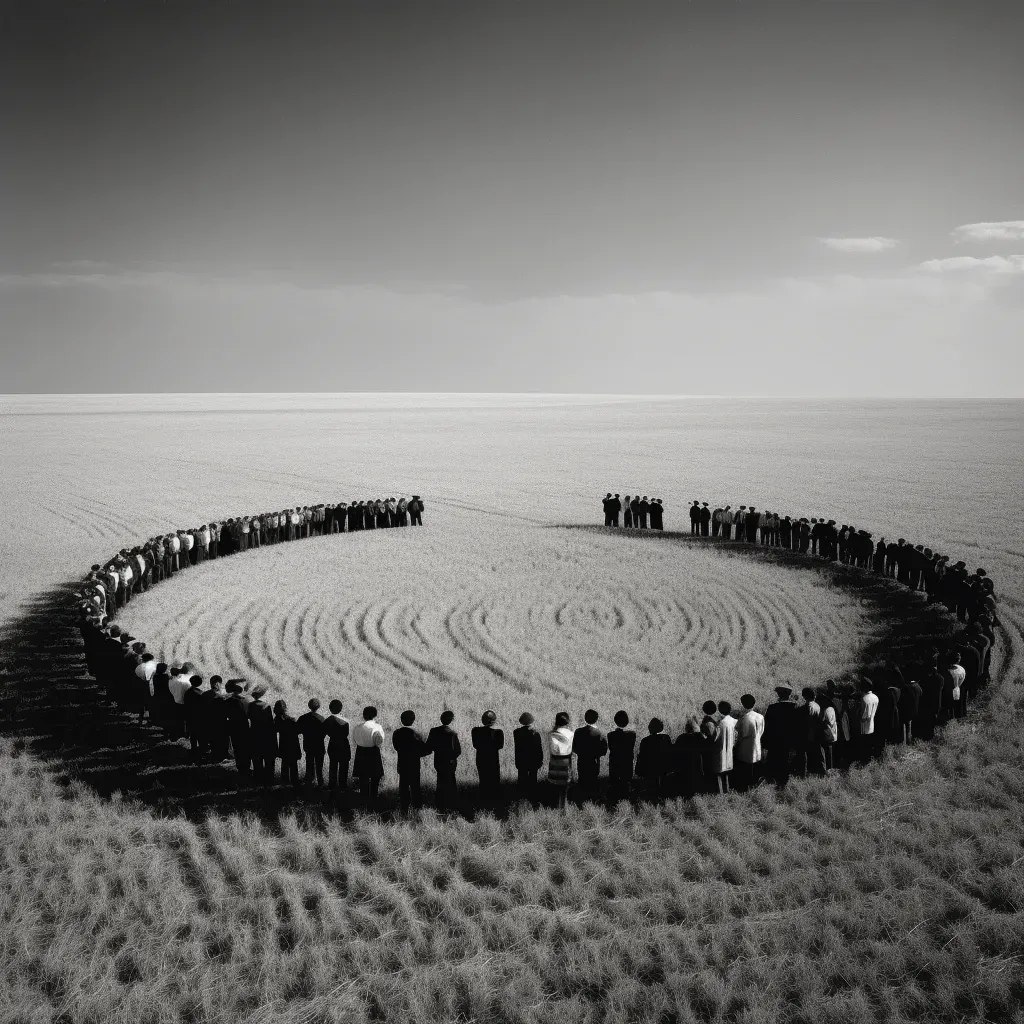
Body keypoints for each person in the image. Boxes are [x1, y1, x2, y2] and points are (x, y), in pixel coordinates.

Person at [392, 710, 428, 813]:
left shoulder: (397, 733)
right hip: (415, 763)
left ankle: (404, 808)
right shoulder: (418, 733)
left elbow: (396, 747)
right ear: (413, 720)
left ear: (401, 720)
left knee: (403, 786)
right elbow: (424, 749)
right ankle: (417, 808)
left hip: (402, 762)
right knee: (415, 786)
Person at [426, 710, 461, 811]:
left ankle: (440, 805)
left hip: (438, 761)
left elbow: (429, 747)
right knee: (451, 783)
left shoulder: (434, 731)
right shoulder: (452, 734)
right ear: (451, 721)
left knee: (440, 782)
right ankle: (451, 805)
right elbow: (458, 751)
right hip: (450, 763)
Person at [763, 685, 798, 784]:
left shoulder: (772, 707)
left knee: (774, 760)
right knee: (786, 761)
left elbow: (767, 727)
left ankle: (772, 779)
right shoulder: (795, 707)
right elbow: (797, 726)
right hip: (789, 741)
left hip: (775, 741)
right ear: (789, 695)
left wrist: (765, 742)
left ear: (779, 694)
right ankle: (784, 781)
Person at [352, 706, 386, 809]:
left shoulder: (357, 727)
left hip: (360, 751)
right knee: (375, 777)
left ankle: (363, 798)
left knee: (363, 776)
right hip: (373, 752)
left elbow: (354, 740)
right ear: (375, 715)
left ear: (363, 715)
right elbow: (379, 741)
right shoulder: (377, 727)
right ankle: (374, 797)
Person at [572, 709, 608, 798]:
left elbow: (574, 747)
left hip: (581, 761)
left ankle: (581, 798)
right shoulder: (599, 733)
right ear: (597, 719)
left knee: (582, 780)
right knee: (593, 781)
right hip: (594, 762)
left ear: (585, 718)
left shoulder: (578, 731)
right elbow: (603, 751)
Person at [471, 710, 504, 801]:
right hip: (493, 758)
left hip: (481, 757)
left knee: (483, 778)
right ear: (494, 721)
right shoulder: (498, 732)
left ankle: (483, 798)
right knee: (494, 778)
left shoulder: (475, 731)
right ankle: (494, 799)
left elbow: (475, 745)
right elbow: (500, 746)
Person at [733, 694, 764, 792]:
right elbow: (762, 730)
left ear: (743, 704)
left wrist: (737, 744)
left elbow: (743, 734)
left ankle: (746, 787)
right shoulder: (760, 716)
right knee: (755, 765)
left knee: (746, 767)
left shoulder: (745, 718)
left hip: (746, 746)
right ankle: (755, 784)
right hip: (757, 744)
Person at [635, 718, 673, 797]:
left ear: (650, 728)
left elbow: (641, 756)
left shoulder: (645, 740)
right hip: (664, 766)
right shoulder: (666, 738)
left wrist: (639, 770)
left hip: (650, 768)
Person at [248, 686, 277, 785]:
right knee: (268, 759)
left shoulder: (251, 705)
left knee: (257, 759)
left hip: (254, 734)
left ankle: (257, 779)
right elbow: (270, 722)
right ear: (263, 695)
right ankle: (268, 780)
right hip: (265, 735)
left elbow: (249, 717)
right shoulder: (266, 706)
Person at [297, 698, 328, 787]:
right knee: (319, 767)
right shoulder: (322, 719)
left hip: (308, 745)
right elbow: (324, 733)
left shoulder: (303, 718)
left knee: (309, 765)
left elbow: (298, 730)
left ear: (309, 706)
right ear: (318, 707)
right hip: (319, 746)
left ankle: (309, 783)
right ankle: (320, 784)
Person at [513, 712, 544, 800]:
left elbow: (517, 747)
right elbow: (539, 748)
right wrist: (540, 760)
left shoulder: (516, 732)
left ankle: (522, 798)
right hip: (533, 760)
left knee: (522, 779)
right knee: (533, 779)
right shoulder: (535, 733)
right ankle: (532, 797)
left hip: (521, 760)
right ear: (532, 721)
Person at [708, 700, 737, 793]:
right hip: (730, 750)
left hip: (720, 751)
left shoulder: (720, 724)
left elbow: (715, 739)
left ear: (720, 710)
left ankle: (720, 792)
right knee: (727, 772)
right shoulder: (734, 721)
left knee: (719, 773)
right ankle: (727, 789)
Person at [547, 712, 575, 808]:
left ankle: (554, 805)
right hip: (566, 760)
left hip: (554, 760)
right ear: (567, 721)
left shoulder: (551, 733)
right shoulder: (571, 734)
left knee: (555, 783)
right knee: (565, 784)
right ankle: (563, 805)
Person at [673, 717, 706, 798]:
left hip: (684, 764)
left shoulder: (681, 737)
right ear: (696, 727)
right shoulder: (699, 736)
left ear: (686, 728)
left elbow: (675, 750)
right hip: (697, 763)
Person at [607, 710, 636, 800]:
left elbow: (611, 747)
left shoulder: (610, 735)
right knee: (626, 779)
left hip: (615, 761)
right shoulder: (632, 734)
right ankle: (626, 793)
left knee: (615, 780)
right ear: (627, 722)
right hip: (627, 760)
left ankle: (615, 794)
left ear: (615, 721)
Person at [274, 700, 302, 790]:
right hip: (293, 745)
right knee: (293, 765)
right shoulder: (291, 720)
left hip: (283, 745)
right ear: (285, 708)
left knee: (284, 764)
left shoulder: (276, 720)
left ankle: (284, 784)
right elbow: (298, 731)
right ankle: (295, 784)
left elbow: (276, 730)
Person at [324, 699, 351, 792]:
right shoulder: (345, 720)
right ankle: (343, 786)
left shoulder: (328, 720)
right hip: (344, 744)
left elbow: (326, 732)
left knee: (333, 766)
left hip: (333, 744)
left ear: (330, 709)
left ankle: (332, 786)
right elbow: (346, 733)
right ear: (341, 708)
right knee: (344, 766)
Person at [797, 687, 824, 776]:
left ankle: (805, 773)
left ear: (804, 696)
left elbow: (806, 722)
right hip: (817, 733)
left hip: (808, 734)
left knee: (805, 754)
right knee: (818, 753)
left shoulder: (806, 707)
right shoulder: (817, 706)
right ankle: (820, 772)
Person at [858, 681, 879, 764]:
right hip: (872, 722)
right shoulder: (875, 697)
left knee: (864, 743)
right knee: (870, 741)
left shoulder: (864, 699)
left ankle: (864, 760)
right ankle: (870, 759)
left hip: (864, 724)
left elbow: (862, 714)